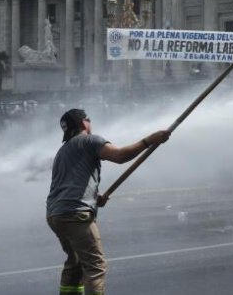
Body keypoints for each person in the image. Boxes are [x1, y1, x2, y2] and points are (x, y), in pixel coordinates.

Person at [46, 108, 170, 294]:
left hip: (55, 214)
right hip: (75, 214)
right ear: (84, 123)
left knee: (75, 263)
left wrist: (94, 197)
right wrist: (148, 141)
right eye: (88, 119)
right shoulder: (89, 140)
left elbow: (67, 183)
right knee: (95, 266)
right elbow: (120, 156)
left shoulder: (63, 151)